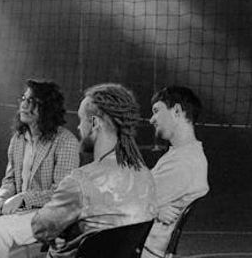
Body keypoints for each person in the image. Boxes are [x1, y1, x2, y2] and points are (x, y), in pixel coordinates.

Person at [30, 83, 157, 258]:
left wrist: (66, 230)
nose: (78, 127)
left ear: (95, 123)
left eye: (82, 120)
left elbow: (40, 228)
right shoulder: (145, 175)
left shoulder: (80, 181)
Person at [0, 79, 80, 258]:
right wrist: (1, 197)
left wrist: (22, 199)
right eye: (23, 98)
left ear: (47, 108)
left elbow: (61, 194)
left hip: (50, 213)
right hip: (23, 210)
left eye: (31, 101)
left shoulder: (66, 141)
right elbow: (10, 180)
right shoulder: (18, 138)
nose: (23, 105)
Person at [143, 86, 209, 258]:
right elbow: (140, 190)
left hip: (139, 249)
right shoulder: (180, 154)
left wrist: (152, 207)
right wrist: (154, 206)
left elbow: (129, 203)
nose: (151, 120)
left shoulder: (184, 163)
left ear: (177, 111)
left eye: (156, 111)